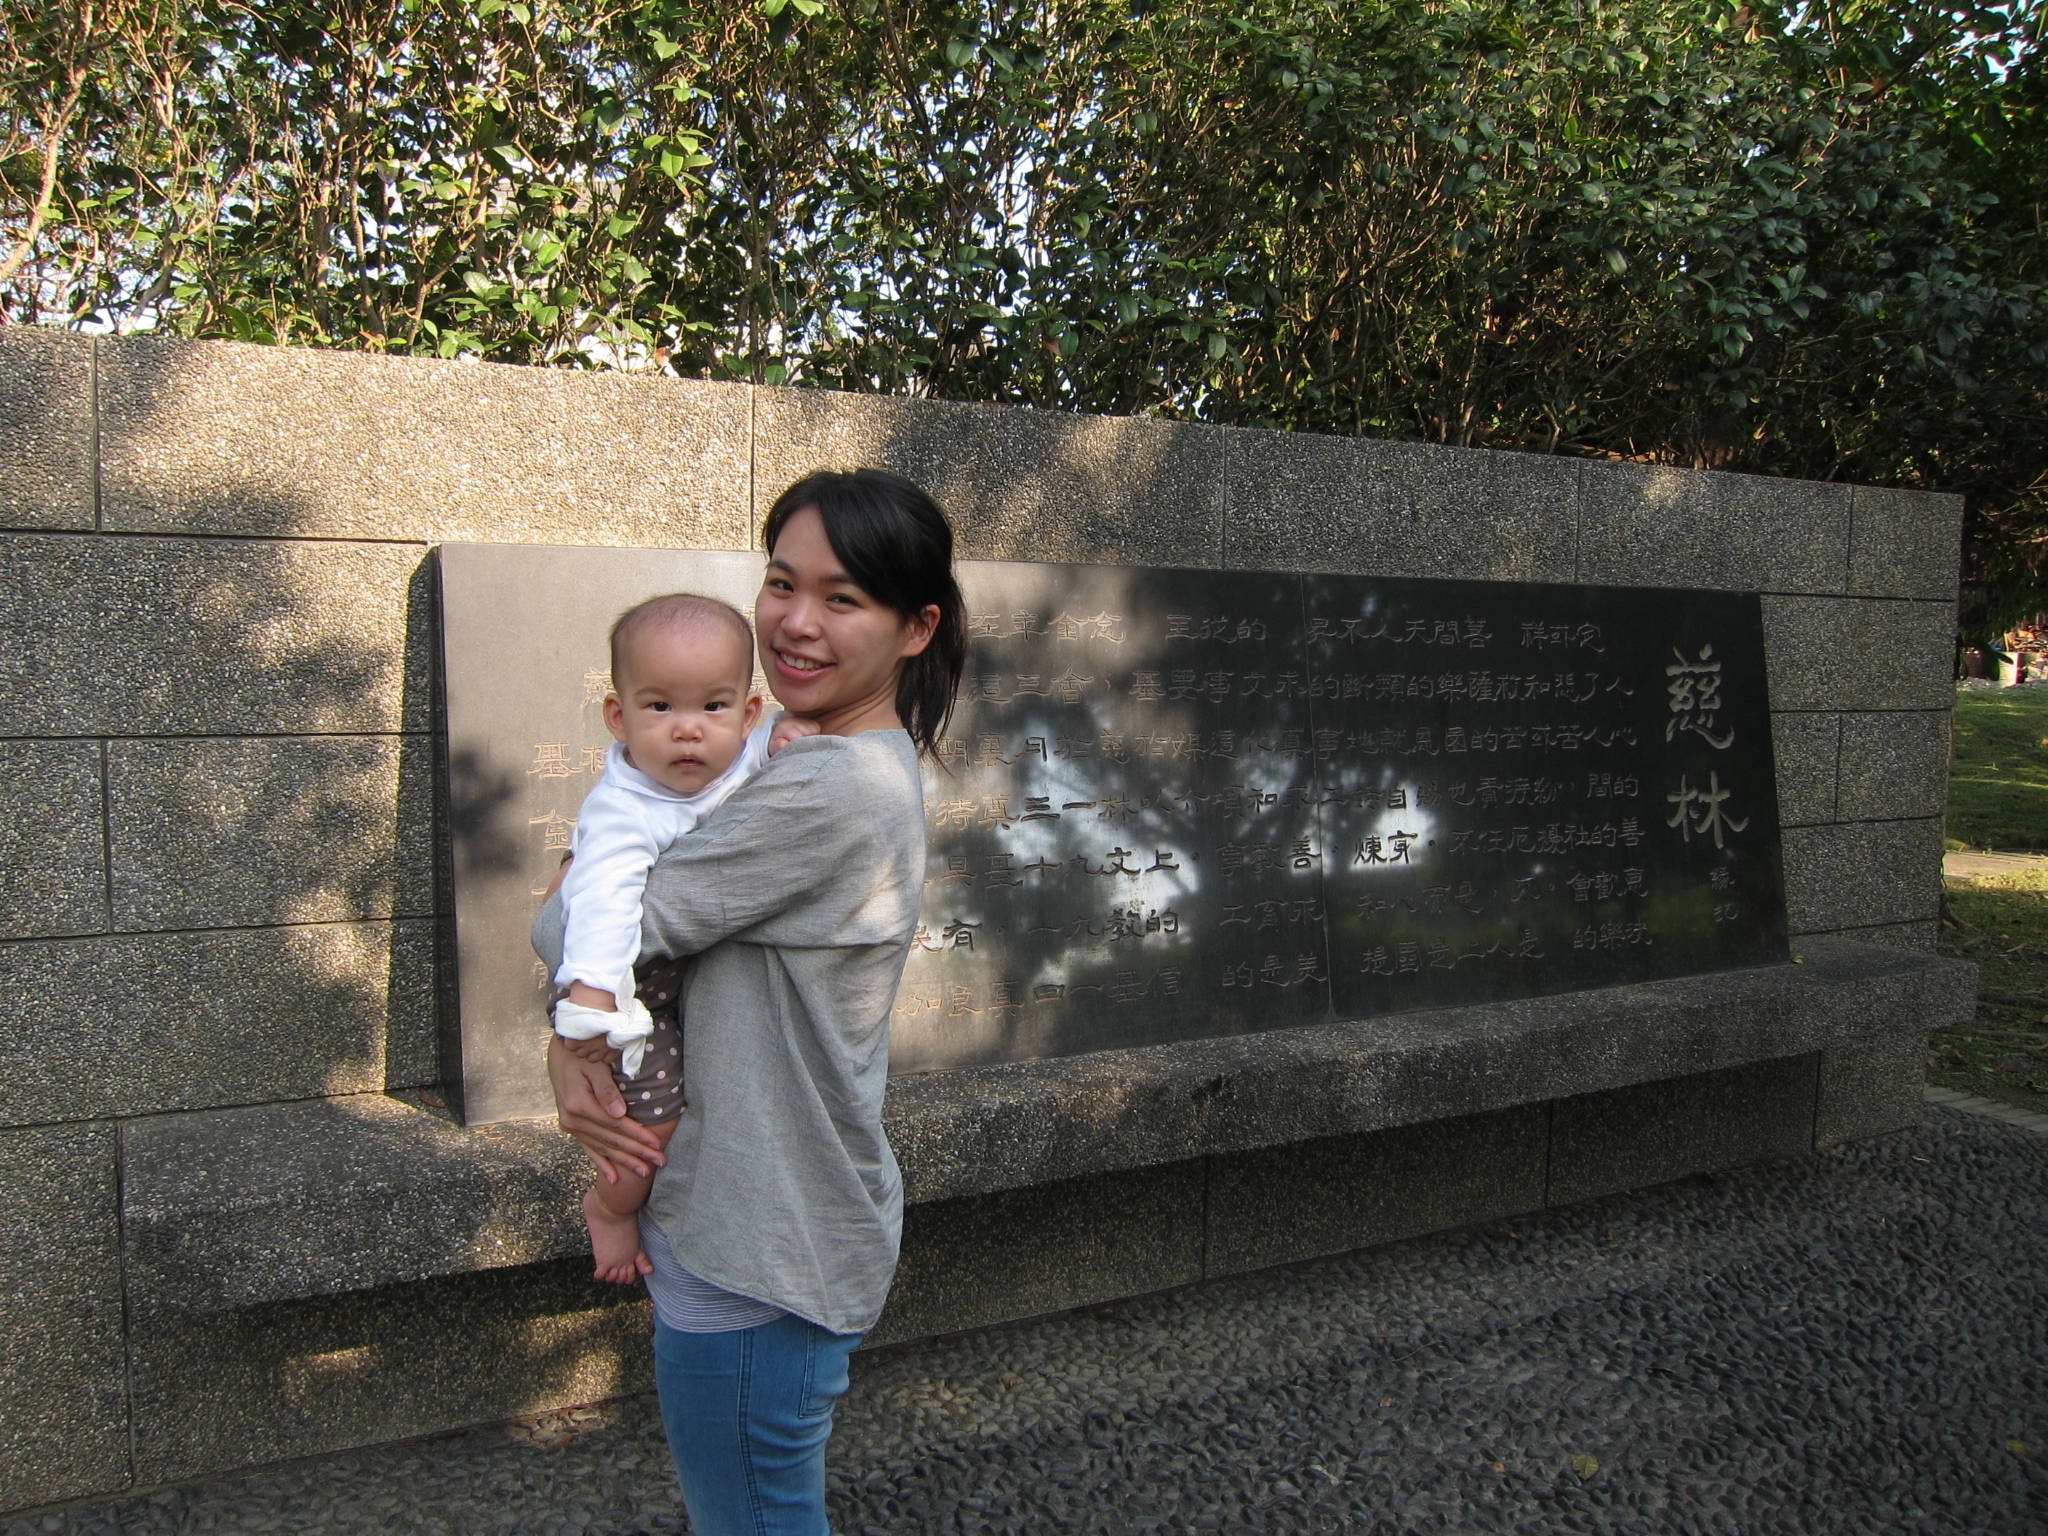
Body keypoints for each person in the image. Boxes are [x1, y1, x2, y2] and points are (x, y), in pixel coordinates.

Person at [532, 468, 967, 1536]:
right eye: (782, 583)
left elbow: (567, 932)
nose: (796, 623)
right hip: (763, 1218)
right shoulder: (809, 759)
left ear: (915, 629)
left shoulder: (829, 785)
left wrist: (574, 899)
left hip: (759, 1243)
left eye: (842, 598)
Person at [548, 591, 815, 1284]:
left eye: (713, 707)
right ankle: (611, 1209)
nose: (688, 730)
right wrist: (591, 1003)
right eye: (661, 707)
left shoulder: (742, 758)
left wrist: (779, 741)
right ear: (619, 716)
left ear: (747, 713)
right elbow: (600, 902)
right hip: (616, 988)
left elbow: (761, 753)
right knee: (651, 1125)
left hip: (677, 982)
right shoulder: (624, 808)